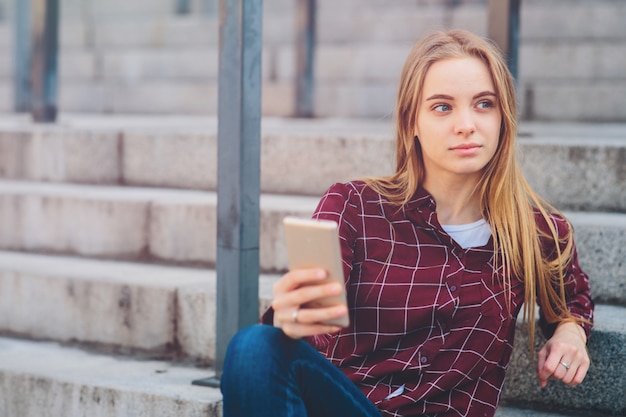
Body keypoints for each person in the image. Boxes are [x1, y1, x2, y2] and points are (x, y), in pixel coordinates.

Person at [220, 29, 594, 417]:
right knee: (253, 347)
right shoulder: (355, 206)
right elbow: (309, 327)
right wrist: (291, 316)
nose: (466, 124)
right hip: (353, 408)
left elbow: (573, 299)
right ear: (411, 121)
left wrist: (571, 331)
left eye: (484, 104)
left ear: (504, 117)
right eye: (442, 107)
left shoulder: (536, 232)